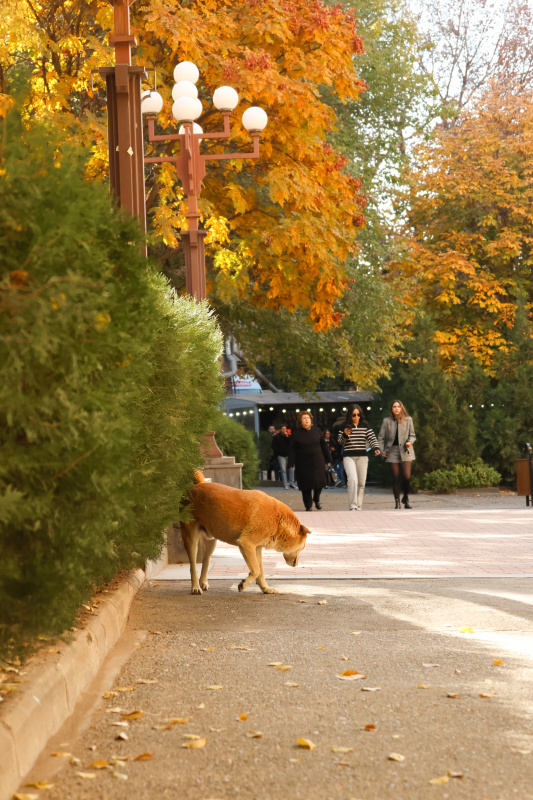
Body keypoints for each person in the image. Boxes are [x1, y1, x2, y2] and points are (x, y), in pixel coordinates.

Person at [337, 404, 381, 510]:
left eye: (358, 415)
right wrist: (345, 435)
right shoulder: (343, 426)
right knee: (352, 480)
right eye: (354, 415)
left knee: (361, 482)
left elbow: (372, 437)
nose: (356, 417)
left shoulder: (365, 425)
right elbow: (340, 441)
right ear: (350, 416)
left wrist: (376, 447)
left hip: (362, 456)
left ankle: (358, 505)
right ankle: (353, 505)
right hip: (349, 456)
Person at [289, 411, 331, 511]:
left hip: (318, 460)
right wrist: (291, 463)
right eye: (304, 418)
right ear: (300, 421)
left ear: (311, 420)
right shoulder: (295, 433)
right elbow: (291, 449)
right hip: (302, 462)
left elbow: (323, 445)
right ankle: (308, 505)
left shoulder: (317, 430)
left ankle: (316, 499)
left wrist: (328, 458)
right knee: (305, 485)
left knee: (319, 482)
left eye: (308, 418)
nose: (306, 420)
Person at [378, 400, 416, 509]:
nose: (396, 409)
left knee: (406, 477)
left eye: (398, 406)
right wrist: (382, 452)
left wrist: (409, 442)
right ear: (391, 409)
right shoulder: (387, 421)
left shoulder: (408, 420)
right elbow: (380, 438)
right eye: (394, 406)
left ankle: (406, 497)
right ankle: (397, 502)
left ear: (401, 408)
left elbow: (413, 435)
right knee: (395, 477)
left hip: (405, 450)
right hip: (392, 451)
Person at [272, 424, 292, 489]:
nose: (284, 430)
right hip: (281, 455)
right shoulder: (276, 437)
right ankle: (285, 483)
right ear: (280, 430)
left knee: (292, 469)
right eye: (283, 429)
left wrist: (287, 437)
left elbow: (292, 444)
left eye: (285, 429)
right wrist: (278, 452)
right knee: (283, 470)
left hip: (289, 455)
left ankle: (291, 482)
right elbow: (273, 446)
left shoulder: (289, 436)